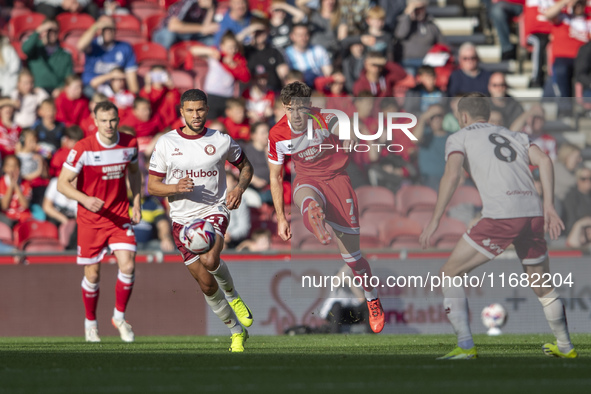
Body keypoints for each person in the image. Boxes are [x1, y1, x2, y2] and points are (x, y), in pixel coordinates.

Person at [419, 92, 577, 359]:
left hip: (503, 215)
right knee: (542, 283)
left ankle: (466, 346)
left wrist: (434, 219)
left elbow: (452, 174)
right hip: (532, 211)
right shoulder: (514, 135)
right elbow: (545, 161)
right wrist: (548, 205)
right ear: (488, 115)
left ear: (463, 117)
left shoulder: (460, 137)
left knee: (449, 274)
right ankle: (565, 346)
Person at [267, 81, 385, 333]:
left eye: (301, 109)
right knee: (307, 198)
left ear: (310, 106)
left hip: (338, 182)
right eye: (290, 109)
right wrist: (280, 217)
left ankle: (372, 297)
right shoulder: (277, 134)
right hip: (308, 180)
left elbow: (342, 123)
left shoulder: (324, 117)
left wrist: (351, 134)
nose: (296, 115)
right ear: (283, 108)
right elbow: (275, 177)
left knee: (353, 259)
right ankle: (316, 221)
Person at [147, 89, 254, 352]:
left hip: (213, 210)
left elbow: (246, 167)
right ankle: (236, 332)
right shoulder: (166, 143)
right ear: (181, 112)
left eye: (200, 110)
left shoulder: (221, 140)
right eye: (190, 110)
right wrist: (174, 188)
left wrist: (239, 188)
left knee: (210, 258)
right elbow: (152, 186)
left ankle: (233, 295)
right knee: (206, 283)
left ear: (206, 110)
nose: (195, 115)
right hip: (181, 220)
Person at [57, 101, 142, 343]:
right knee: (93, 275)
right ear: (94, 121)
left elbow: (135, 173)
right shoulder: (83, 148)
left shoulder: (129, 143)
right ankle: (90, 323)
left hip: (118, 217)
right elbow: (62, 183)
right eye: (103, 120)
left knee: (128, 266)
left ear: (118, 119)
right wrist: (84, 198)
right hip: (90, 221)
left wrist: (136, 202)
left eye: (113, 119)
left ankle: (119, 317)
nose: (108, 125)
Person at [78, 15, 139, 98]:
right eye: (104, 28)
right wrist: (96, 26)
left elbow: (131, 75)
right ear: (99, 29)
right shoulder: (93, 45)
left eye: (111, 28)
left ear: (115, 30)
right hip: (92, 89)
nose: (108, 31)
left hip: (115, 88)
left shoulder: (124, 47)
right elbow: (80, 46)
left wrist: (134, 97)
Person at [21, 18, 73, 95]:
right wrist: (38, 31)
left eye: (54, 31)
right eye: (48, 30)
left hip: (57, 92)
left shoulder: (65, 55)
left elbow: (69, 78)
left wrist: (61, 89)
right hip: (36, 90)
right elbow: (25, 49)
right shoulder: (35, 49)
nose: (51, 33)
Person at [152, 0, 219, 50]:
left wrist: (211, 9)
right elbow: (173, 26)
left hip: (191, 34)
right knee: (169, 36)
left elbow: (205, 30)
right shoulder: (189, 2)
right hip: (166, 32)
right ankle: (163, 61)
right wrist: (201, 28)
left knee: (213, 41)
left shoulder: (213, 3)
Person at [0, 155, 32, 228]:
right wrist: (11, 186)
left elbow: (25, 205)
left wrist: (16, 185)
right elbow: (4, 206)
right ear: (4, 168)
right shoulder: (1, 183)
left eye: (15, 166)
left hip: (23, 217)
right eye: (10, 166)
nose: (13, 168)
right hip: (6, 218)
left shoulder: (25, 183)